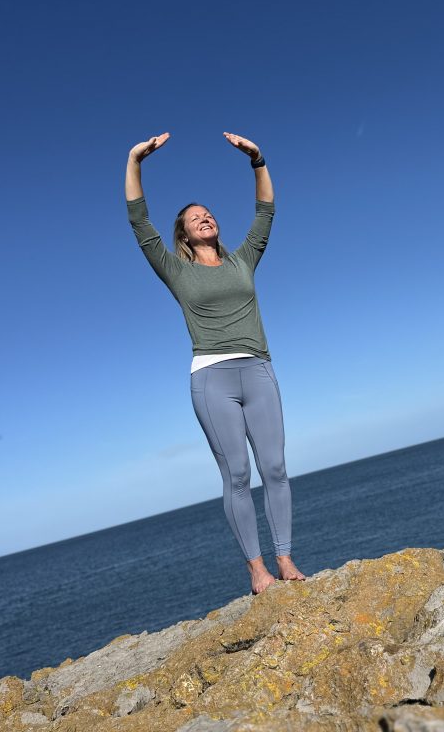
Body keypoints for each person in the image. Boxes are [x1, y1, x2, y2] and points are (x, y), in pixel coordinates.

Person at [124, 131, 305, 594]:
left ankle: (285, 559)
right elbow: (139, 220)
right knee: (238, 476)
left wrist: (258, 160)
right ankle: (257, 571)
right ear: (183, 234)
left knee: (276, 468)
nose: (204, 219)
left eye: (208, 214)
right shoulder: (175, 269)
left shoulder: (243, 260)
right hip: (211, 377)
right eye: (193, 218)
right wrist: (135, 161)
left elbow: (266, 213)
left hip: (258, 369)